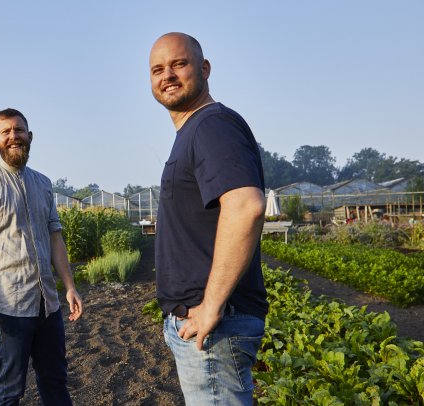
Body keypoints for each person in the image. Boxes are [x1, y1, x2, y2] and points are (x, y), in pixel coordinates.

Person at [149, 32, 269, 404]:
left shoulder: (210, 125)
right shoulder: (192, 131)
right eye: (157, 69)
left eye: (178, 64)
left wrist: (212, 305)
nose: (167, 75)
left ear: (204, 68)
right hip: (205, 326)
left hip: (215, 327)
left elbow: (246, 206)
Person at [0, 108, 83, 406]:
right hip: (7, 309)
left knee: (56, 382)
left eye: (19, 130)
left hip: (47, 306)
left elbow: (55, 237)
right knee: (8, 391)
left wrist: (69, 286)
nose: (14, 136)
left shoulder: (43, 183)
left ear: (30, 136)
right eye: (7, 132)